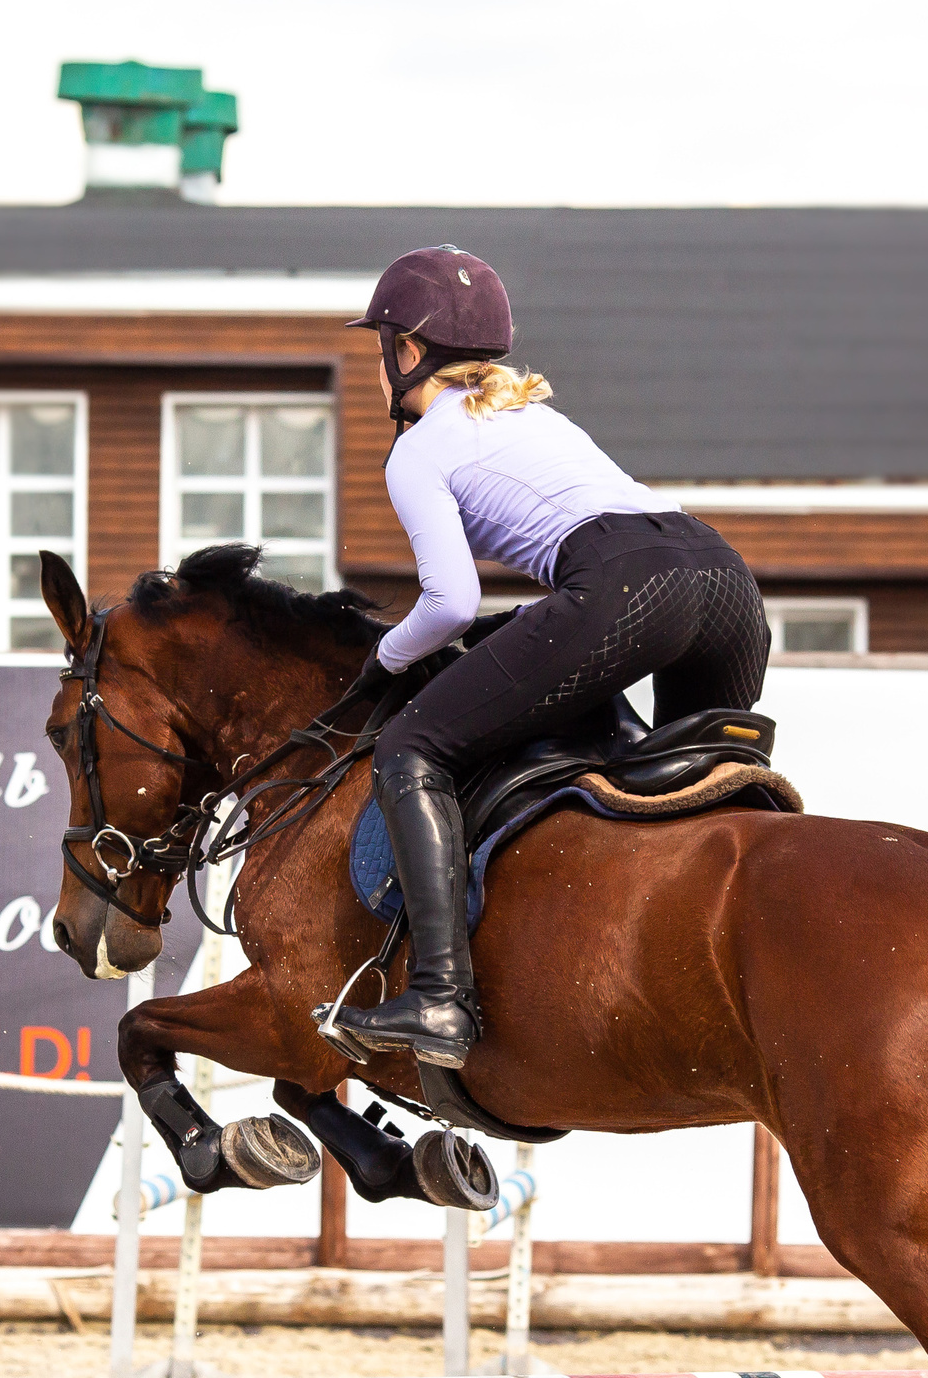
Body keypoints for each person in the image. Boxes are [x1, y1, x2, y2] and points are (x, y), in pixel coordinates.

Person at [326, 245, 772, 1069]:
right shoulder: (534, 414)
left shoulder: (419, 449)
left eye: (382, 345)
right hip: (725, 582)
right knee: (697, 821)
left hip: (627, 587)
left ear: (408, 351)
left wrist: (383, 662)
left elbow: (450, 602)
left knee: (411, 746)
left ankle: (439, 998)